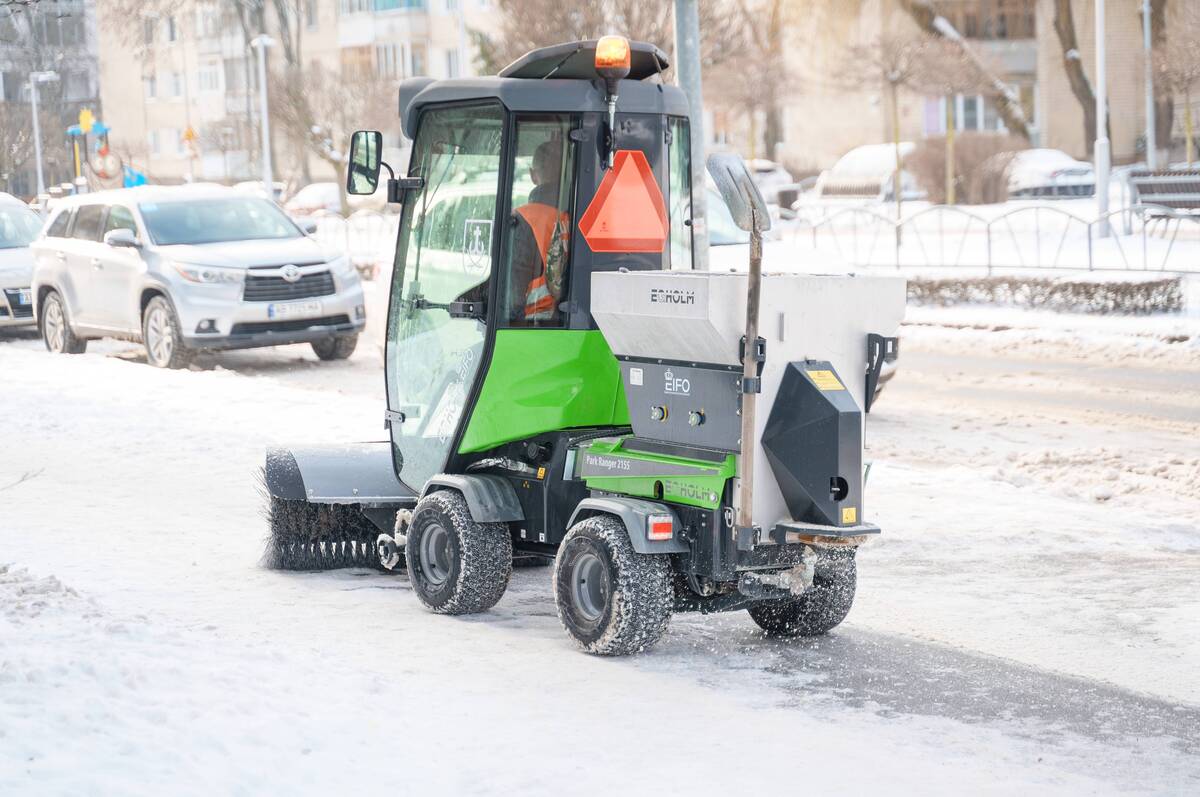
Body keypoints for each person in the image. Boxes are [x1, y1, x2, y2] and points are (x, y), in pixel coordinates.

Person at [509, 139, 569, 322]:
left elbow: (514, 285)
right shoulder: (577, 216)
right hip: (563, 319)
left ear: (533, 176)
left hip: (533, 322)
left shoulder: (520, 219)